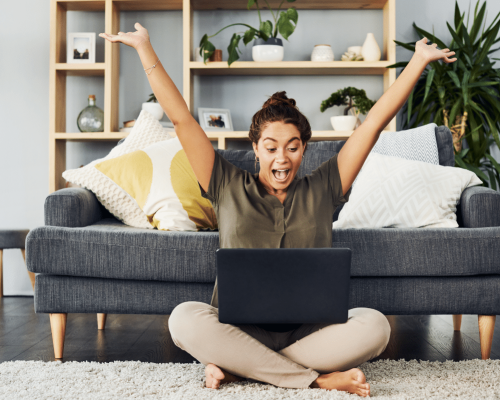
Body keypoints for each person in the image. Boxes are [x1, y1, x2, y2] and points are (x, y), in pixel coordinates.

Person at [100, 23, 456, 397]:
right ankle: (313, 379)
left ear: (304, 148)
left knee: (376, 326)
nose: (282, 159)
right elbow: (181, 119)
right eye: (271, 147)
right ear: (255, 148)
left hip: (310, 331)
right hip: (239, 328)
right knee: (184, 319)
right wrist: (144, 49)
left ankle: (244, 367)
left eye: (292, 147)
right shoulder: (224, 182)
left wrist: (417, 61)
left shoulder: (325, 185)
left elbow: (373, 124)